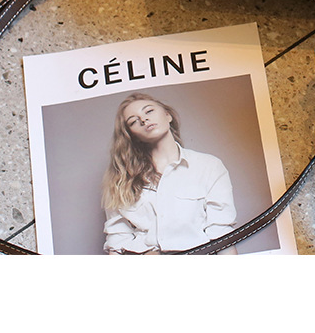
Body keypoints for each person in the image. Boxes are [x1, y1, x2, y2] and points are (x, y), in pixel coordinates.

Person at [102, 92, 238, 254]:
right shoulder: (121, 178)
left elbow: (222, 234)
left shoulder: (209, 166)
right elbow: (117, 240)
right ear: (132, 135)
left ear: (168, 115)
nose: (144, 120)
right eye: (133, 121)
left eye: (149, 111)